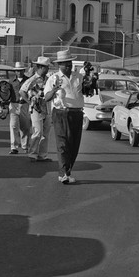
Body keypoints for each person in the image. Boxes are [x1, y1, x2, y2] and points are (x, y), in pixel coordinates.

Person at [44, 50, 84, 184]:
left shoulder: (79, 77)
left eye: (69, 63)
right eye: (65, 64)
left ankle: (67, 171)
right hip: (61, 113)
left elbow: (86, 91)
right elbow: (46, 97)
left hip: (77, 113)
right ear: (59, 65)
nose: (68, 66)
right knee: (62, 144)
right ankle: (62, 174)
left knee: (74, 145)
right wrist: (55, 89)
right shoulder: (53, 78)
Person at [20, 56, 53, 162]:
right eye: (46, 67)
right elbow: (22, 91)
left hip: (47, 108)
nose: (48, 69)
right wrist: (30, 102)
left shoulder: (48, 79)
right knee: (38, 131)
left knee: (46, 133)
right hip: (36, 109)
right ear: (41, 67)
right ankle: (33, 153)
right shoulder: (32, 79)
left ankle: (42, 155)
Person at [8, 62, 31, 155]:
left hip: (24, 105)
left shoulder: (28, 80)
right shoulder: (11, 81)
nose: (18, 72)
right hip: (14, 104)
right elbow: (7, 94)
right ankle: (14, 147)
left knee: (25, 126)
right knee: (13, 126)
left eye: (20, 71)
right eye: (17, 71)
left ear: (23, 71)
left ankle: (25, 146)